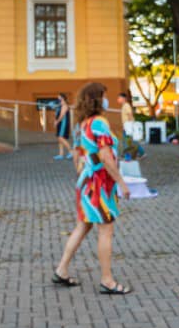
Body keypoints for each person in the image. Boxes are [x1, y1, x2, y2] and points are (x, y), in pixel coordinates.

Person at [52, 82, 132, 294]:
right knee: (106, 229)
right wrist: (121, 182)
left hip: (86, 184)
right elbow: (106, 157)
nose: (107, 100)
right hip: (101, 185)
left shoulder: (82, 125)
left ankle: (62, 269)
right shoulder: (99, 123)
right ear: (97, 99)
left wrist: (85, 174)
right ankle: (107, 280)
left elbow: (76, 157)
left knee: (83, 226)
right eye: (104, 96)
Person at [118, 93, 144, 159]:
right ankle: (141, 153)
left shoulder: (126, 105)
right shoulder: (124, 106)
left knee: (127, 142)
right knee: (130, 141)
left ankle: (128, 155)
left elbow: (130, 115)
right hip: (127, 127)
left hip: (128, 127)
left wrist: (131, 125)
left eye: (119, 98)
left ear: (123, 99)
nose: (118, 100)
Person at [54, 94, 73, 161]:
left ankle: (71, 151)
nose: (58, 99)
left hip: (63, 124)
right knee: (59, 139)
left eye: (59, 98)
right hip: (60, 124)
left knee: (61, 138)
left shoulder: (64, 106)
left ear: (63, 98)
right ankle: (61, 154)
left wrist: (57, 121)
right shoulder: (60, 106)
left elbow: (62, 116)